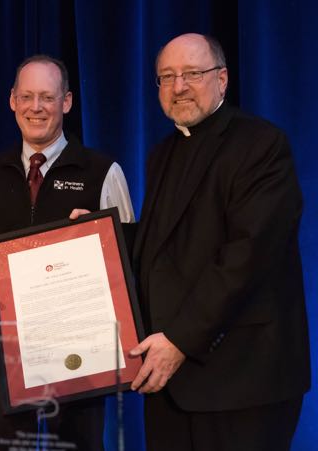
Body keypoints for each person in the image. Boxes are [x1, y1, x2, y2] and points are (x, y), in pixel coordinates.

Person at [130, 33, 310, 451]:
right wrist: (100, 236)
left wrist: (178, 339)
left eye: (193, 74)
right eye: (167, 77)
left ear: (223, 79)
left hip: (243, 380)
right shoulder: (162, 154)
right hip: (173, 383)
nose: (179, 87)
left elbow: (247, 256)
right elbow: (169, 243)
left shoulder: (261, 145)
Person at [0, 55, 134, 450]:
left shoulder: (103, 171)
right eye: (26, 96)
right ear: (12, 101)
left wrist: (100, 238)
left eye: (46, 97)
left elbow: (127, 261)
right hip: (8, 344)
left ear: (67, 102)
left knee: (79, 445)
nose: (35, 107)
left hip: (80, 348)